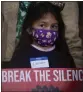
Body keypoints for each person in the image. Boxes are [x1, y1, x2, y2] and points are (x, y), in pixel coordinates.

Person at [10, 2, 76, 68]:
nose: (49, 31)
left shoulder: (64, 56)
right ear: (30, 29)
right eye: (42, 25)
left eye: (53, 26)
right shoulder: (20, 56)